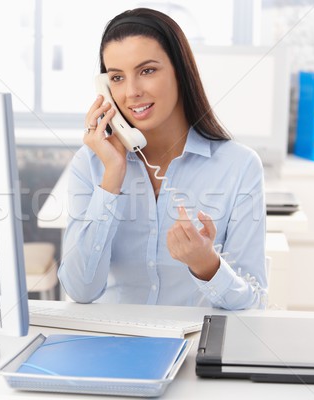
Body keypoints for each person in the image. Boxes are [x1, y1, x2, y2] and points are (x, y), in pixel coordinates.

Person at [57, 8, 267, 310]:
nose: (131, 92)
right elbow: (81, 290)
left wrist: (206, 265)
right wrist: (112, 177)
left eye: (147, 71)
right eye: (117, 77)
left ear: (180, 71)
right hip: (114, 344)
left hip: (195, 346)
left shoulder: (240, 166)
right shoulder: (89, 163)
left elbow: (255, 300)